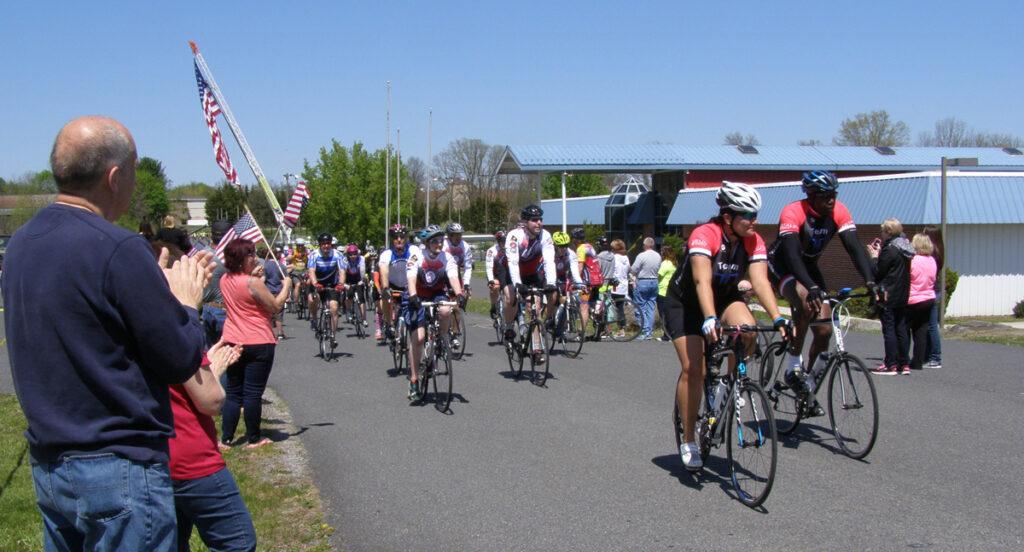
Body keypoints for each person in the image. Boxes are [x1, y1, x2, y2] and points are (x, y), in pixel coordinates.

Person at [2, 115, 212, 550]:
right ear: (114, 177)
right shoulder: (120, 248)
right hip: (119, 466)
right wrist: (186, 304)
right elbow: (178, 359)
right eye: (133, 173)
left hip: (50, 460)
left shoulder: (22, 242)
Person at [665, 181, 789, 471]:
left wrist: (778, 317)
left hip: (724, 297)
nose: (754, 221)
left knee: (748, 330)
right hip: (687, 303)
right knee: (695, 368)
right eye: (748, 215)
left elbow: (760, 282)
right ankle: (688, 439)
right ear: (727, 216)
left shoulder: (753, 240)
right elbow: (701, 281)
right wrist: (709, 317)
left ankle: (729, 385)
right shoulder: (704, 234)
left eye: (755, 214)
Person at [767, 170, 878, 391]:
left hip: (809, 267)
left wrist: (870, 282)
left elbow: (855, 248)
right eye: (825, 195)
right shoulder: (793, 212)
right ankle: (793, 367)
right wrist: (812, 287)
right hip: (783, 265)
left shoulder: (839, 210)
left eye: (833, 194)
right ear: (810, 195)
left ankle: (807, 385)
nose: (831, 200)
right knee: (806, 300)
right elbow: (792, 256)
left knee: (825, 331)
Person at [219, 238, 292, 448]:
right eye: (250, 254)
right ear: (243, 259)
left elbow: (241, 288)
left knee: (234, 392)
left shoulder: (225, 279)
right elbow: (275, 306)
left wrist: (253, 275)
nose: (254, 257)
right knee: (252, 393)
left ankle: (226, 438)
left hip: (233, 339)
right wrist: (286, 285)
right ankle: (253, 437)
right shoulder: (253, 283)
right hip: (258, 340)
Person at [406, 224, 464, 399]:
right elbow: (410, 278)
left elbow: (453, 276)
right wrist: (413, 295)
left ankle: (443, 340)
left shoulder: (447, 258)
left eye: (441, 240)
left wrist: (459, 293)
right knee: (419, 338)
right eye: (435, 241)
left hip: (437, 293)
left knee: (446, 310)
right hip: (418, 296)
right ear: (427, 242)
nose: (440, 244)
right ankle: (414, 380)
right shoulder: (417, 256)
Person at [505, 205, 557, 362]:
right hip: (514, 273)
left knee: (535, 308)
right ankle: (508, 327)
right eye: (534, 220)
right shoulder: (515, 236)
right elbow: (513, 262)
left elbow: (549, 261)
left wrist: (551, 283)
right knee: (510, 296)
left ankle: (537, 347)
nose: (539, 223)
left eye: (540, 219)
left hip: (532, 274)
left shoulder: (545, 236)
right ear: (525, 221)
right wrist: (517, 284)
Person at [868, 218, 916, 375]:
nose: (881, 234)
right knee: (901, 327)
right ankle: (904, 362)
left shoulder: (890, 250)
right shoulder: (904, 248)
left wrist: (874, 256)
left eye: (882, 231)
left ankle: (891, 363)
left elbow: (878, 271)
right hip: (902, 292)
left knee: (889, 328)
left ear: (888, 232)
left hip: (888, 292)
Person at [308, 232, 344, 348]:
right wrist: (315, 283)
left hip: (332, 284)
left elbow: (342, 271)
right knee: (313, 298)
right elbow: (311, 271)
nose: (326, 246)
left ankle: (333, 336)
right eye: (323, 244)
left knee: (334, 308)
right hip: (317, 283)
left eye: (328, 243)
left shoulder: (338, 255)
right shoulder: (314, 255)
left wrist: (341, 284)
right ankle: (314, 319)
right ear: (320, 245)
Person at [907, 233, 937, 371]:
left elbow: (908, 278)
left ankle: (903, 357)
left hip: (913, 298)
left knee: (905, 329)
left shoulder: (913, 260)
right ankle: (918, 361)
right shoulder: (932, 260)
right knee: (921, 331)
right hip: (929, 297)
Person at [378, 224, 413, 341]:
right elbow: (383, 271)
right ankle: (389, 325)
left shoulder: (413, 250)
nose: (399, 239)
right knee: (386, 299)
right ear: (392, 239)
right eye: (395, 237)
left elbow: (419, 265)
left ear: (406, 238)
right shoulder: (386, 254)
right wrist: (386, 288)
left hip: (409, 285)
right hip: (393, 285)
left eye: (402, 237)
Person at [202, 219, 233, 347]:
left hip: (206, 308)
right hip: (222, 308)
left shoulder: (203, 253)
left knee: (210, 353)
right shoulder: (226, 258)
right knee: (226, 353)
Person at [571, 227, 604, 339]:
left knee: (584, 307)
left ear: (576, 239)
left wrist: (574, 280)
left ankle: (580, 334)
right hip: (597, 280)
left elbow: (580, 267)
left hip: (588, 281)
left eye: (573, 239)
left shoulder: (581, 249)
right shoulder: (590, 247)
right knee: (594, 305)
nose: (572, 241)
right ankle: (598, 331)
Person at [631, 236, 661, 340]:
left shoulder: (641, 256)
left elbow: (634, 269)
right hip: (654, 280)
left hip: (643, 280)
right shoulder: (658, 256)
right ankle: (650, 331)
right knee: (650, 307)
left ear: (644, 245)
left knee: (640, 306)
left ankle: (644, 330)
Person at [923, 225, 945, 369]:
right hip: (933, 290)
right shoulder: (938, 251)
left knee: (931, 326)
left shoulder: (933, 254)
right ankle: (929, 355)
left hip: (931, 291)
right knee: (928, 325)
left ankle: (935, 357)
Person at [259, 245, 289, 340]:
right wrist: (287, 291)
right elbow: (286, 280)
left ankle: (270, 333)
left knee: (268, 312)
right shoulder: (281, 266)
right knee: (279, 313)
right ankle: (280, 333)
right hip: (280, 291)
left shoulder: (266, 266)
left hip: (268, 291)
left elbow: (263, 279)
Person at [443, 222, 474, 303]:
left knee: (457, 301)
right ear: (449, 236)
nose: (458, 237)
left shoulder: (465, 246)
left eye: (460, 235)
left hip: (456, 274)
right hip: (442, 274)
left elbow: (468, 267)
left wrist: (466, 283)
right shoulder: (443, 245)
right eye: (455, 235)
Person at [609, 239, 633, 338]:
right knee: (620, 307)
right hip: (623, 284)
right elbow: (628, 270)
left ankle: (610, 328)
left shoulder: (614, 258)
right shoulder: (626, 258)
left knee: (610, 307)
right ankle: (622, 328)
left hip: (614, 284)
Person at [342, 244, 368, 327]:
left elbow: (362, 271)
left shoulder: (361, 259)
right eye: (351, 254)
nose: (353, 256)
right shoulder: (345, 260)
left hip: (358, 279)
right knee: (348, 295)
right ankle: (348, 311)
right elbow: (343, 273)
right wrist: (344, 284)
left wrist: (362, 280)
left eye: (354, 254)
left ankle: (364, 319)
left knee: (361, 299)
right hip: (348, 280)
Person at [485, 230, 509, 319]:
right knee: (495, 286)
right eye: (502, 241)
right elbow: (489, 267)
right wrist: (491, 280)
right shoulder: (492, 251)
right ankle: (494, 306)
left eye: (505, 241)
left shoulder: (510, 249)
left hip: (505, 274)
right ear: (498, 241)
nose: (504, 243)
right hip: (494, 274)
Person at [656, 244, 678, 341]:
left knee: (663, 314)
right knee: (668, 314)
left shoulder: (665, 263)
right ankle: (671, 333)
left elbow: (659, 275)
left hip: (662, 290)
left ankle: (666, 335)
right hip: (669, 290)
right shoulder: (673, 263)